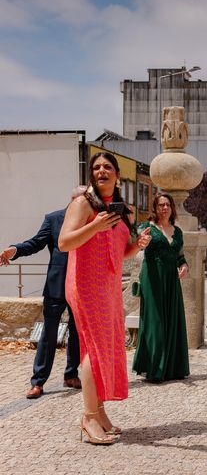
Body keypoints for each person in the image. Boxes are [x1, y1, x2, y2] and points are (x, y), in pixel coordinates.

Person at [59, 152, 151, 445]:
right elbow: (64, 242)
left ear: (117, 175)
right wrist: (94, 226)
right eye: (96, 167)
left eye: (107, 167)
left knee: (106, 346)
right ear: (92, 175)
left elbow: (119, 253)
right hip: (85, 283)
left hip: (108, 285)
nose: (101, 171)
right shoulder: (83, 204)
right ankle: (88, 417)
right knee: (94, 347)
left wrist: (137, 245)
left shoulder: (120, 209)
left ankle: (98, 412)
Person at [0, 187, 86, 399]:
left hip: (80, 286)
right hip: (56, 285)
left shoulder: (90, 221)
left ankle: (71, 375)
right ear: (73, 200)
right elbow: (36, 243)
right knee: (48, 334)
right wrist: (16, 250)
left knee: (76, 333)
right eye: (82, 199)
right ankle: (38, 382)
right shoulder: (54, 218)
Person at [132, 193, 190, 383]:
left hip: (171, 280)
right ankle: (154, 368)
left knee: (173, 320)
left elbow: (180, 257)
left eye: (167, 205)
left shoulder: (178, 231)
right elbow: (136, 244)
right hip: (152, 278)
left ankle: (173, 368)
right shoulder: (146, 228)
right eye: (160, 205)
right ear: (155, 208)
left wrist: (184, 266)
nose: (164, 208)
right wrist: (141, 242)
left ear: (172, 208)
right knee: (155, 322)